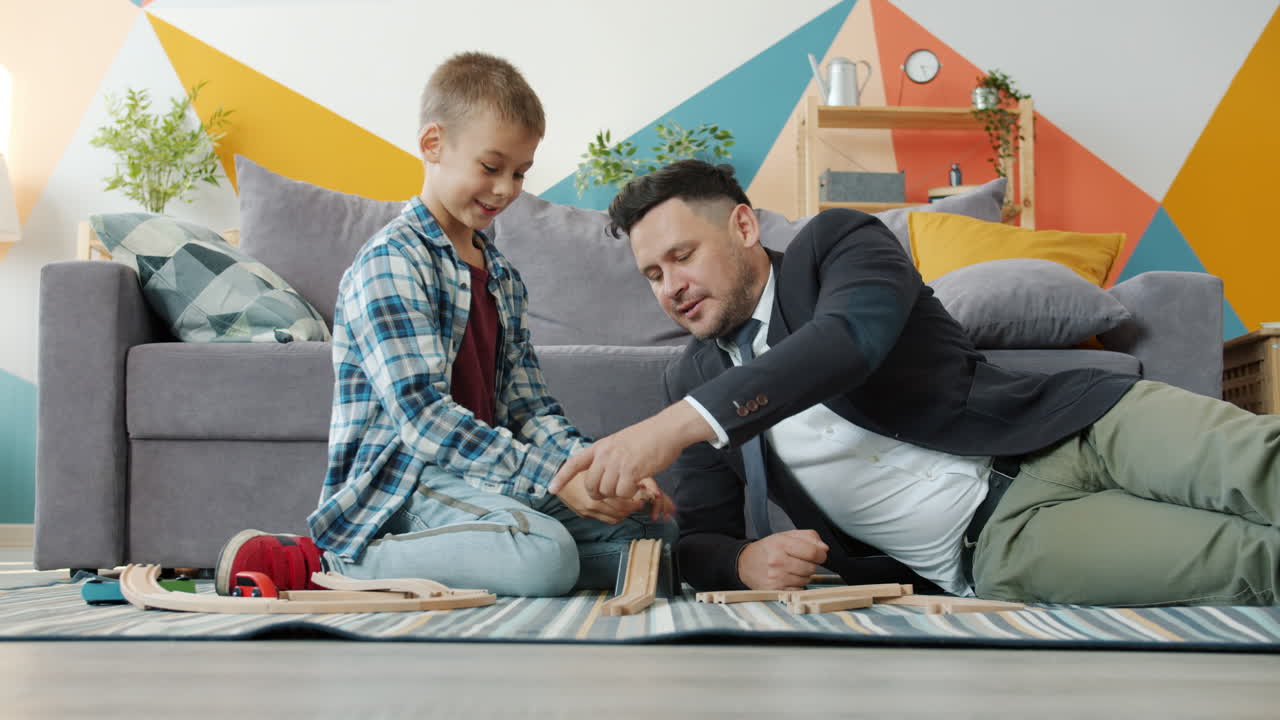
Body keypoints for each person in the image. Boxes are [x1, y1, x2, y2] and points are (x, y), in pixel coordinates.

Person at [549, 159, 1280, 606]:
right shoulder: (696, 373)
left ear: (742, 227)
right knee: (1249, 557)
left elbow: (849, 343)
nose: (671, 287)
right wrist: (741, 559)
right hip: (1001, 540)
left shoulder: (838, 244)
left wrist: (676, 423)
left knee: (1259, 463)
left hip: (1082, 424)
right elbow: (703, 536)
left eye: (682, 256)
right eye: (653, 274)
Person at [214, 52, 674, 598]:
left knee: (653, 538)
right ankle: (337, 558)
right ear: (433, 145)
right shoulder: (392, 261)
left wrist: (596, 475)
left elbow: (531, 411)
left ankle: (507, 552)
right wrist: (552, 482)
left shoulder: (502, 277)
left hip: (485, 479)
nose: (506, 188)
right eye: (491, 166)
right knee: (544, 556)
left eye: (520, 172)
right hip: (409, 484)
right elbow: (424, 419)